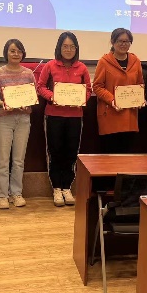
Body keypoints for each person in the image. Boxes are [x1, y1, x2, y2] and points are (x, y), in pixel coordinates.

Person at [37, 31, 91, 207]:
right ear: (59, 48)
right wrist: (53, 97)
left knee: (71, 152)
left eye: (72, 47)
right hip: (54, 115)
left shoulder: (82, 68)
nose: (68, 50)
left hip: (75, 117)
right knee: (55, 152)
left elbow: (88, 90)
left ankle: (67, 187)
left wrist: (81, 99)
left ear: (76, 49)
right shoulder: (50, 66)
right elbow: (40, 87)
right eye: (65, 46)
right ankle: (56, 188)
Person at [0, 39, 35, 209]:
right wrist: (3, 103)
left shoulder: (29, 74)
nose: (16, 54)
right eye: (12, 51)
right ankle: (1, 195)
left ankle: (16, 193)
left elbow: (33, 97)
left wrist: (28, 104)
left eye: (19, 51)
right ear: (6, 53)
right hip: (4, 120)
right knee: (2, 159)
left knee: (18, 160)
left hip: (23, 119)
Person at [93, 28, 144, 153]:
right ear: (112, 42)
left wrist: (140, 99)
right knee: (110, 156)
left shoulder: (136, 61)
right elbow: (97, 86)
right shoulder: (104, 61)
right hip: (110, 116)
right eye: (120, 41)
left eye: (127, 41)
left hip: (130, 117)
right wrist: (113, 100)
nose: (123, 44)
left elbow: (140, 84)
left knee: (127, 156)